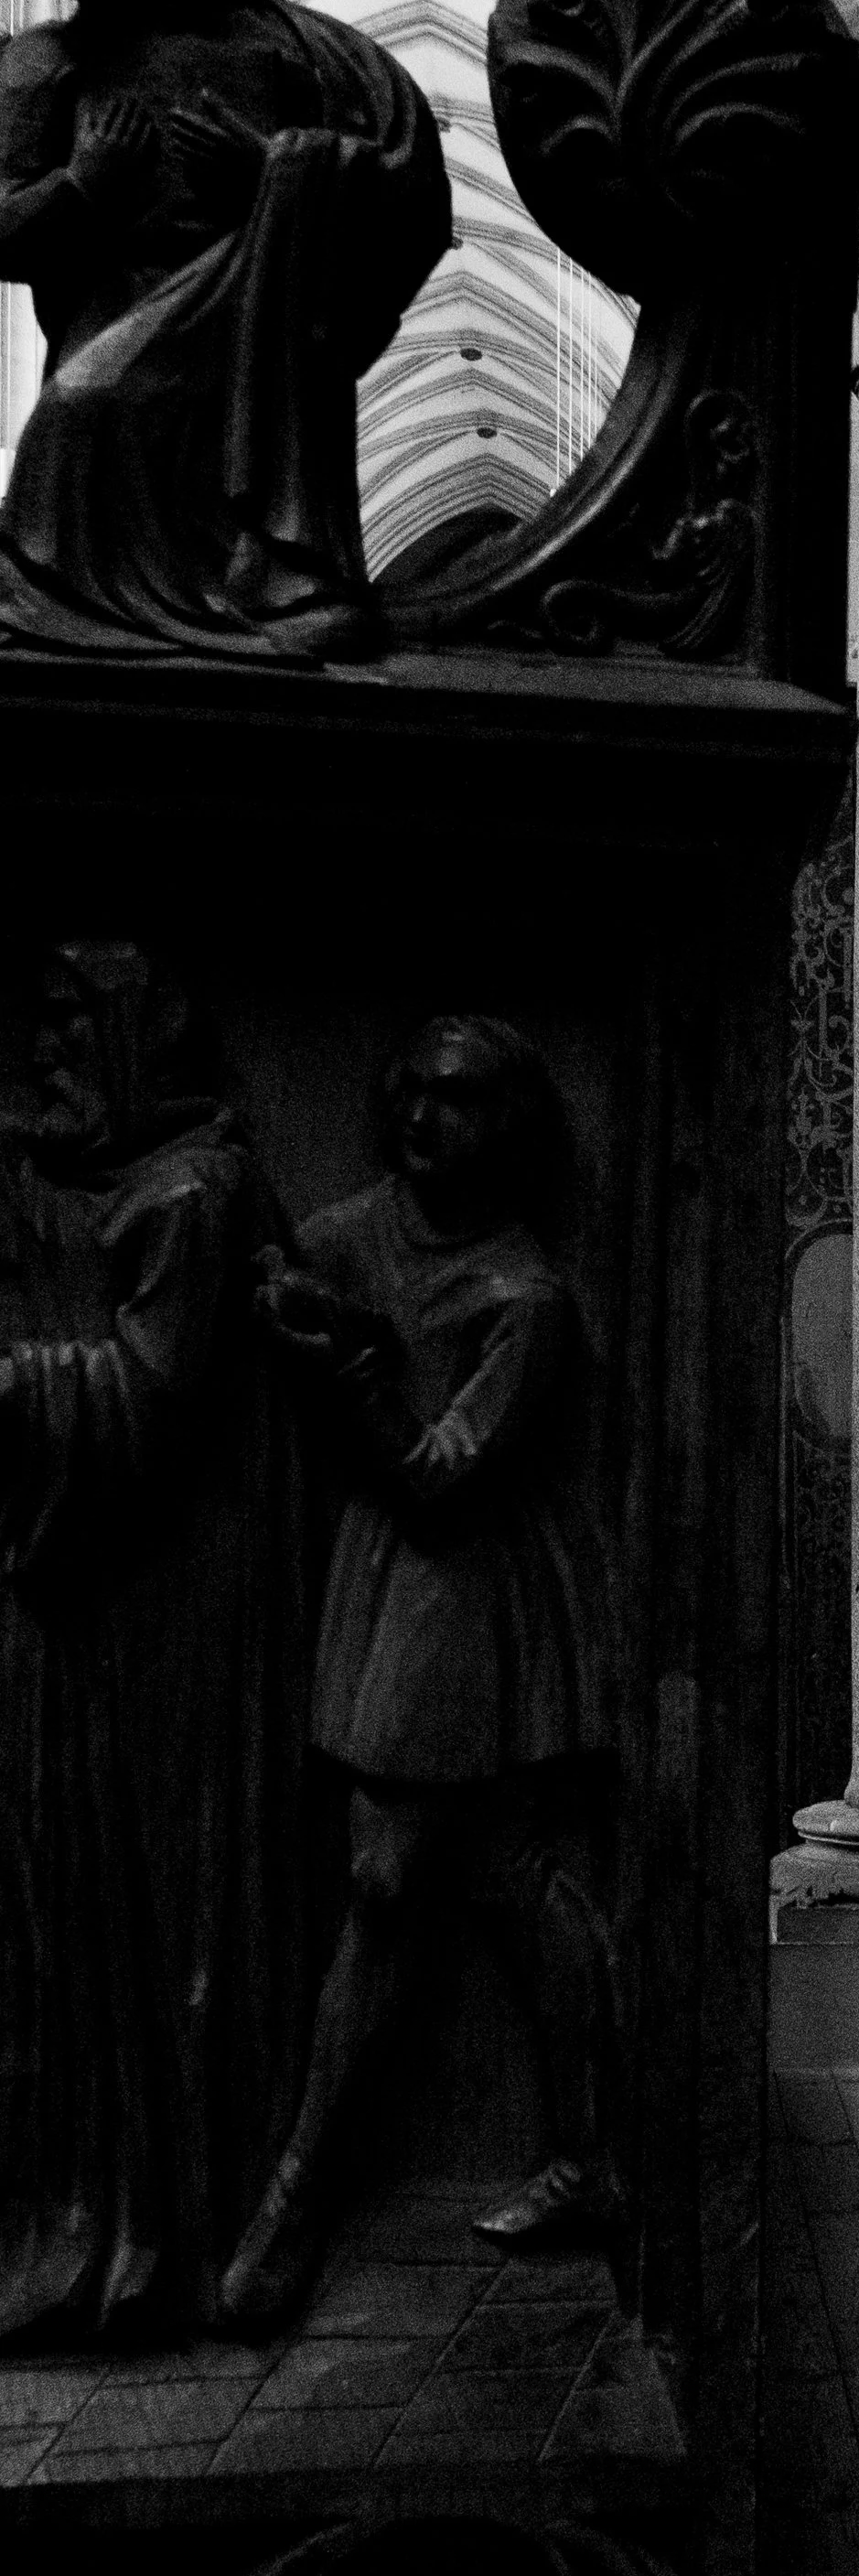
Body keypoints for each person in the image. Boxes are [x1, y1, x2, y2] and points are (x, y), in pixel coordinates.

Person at [220, 1017, 620, 2329]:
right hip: (383, 1589)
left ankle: (297, 2194)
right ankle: (586, 2145)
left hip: (458, 1601)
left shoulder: (526, 1296)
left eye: (455, 1101)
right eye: (411, 1093)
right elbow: (297, 1273)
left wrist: (343, 1367)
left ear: (503, 1124)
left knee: (399, 1882)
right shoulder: (358, 1228)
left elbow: (435, 1477)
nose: (420, 1119)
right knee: (504, 1877)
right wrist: (299, 1305)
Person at [0, 945, 306, 2341]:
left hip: (162, 1650)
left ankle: (131, 2237)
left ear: (135, 1031)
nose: (45, 1050)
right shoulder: (85, 1175)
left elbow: (136, 1410)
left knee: (135, 1932)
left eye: (72, 1022)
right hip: (77, 1633)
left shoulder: (194, 1192)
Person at [0, 0, 448, 658]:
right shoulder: (40, 63)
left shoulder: (304, 52)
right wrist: (85, 186)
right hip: (110, 313)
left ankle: (266, 595)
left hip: (260, 332)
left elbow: (412, 198)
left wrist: (275, 175)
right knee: (79, 414)